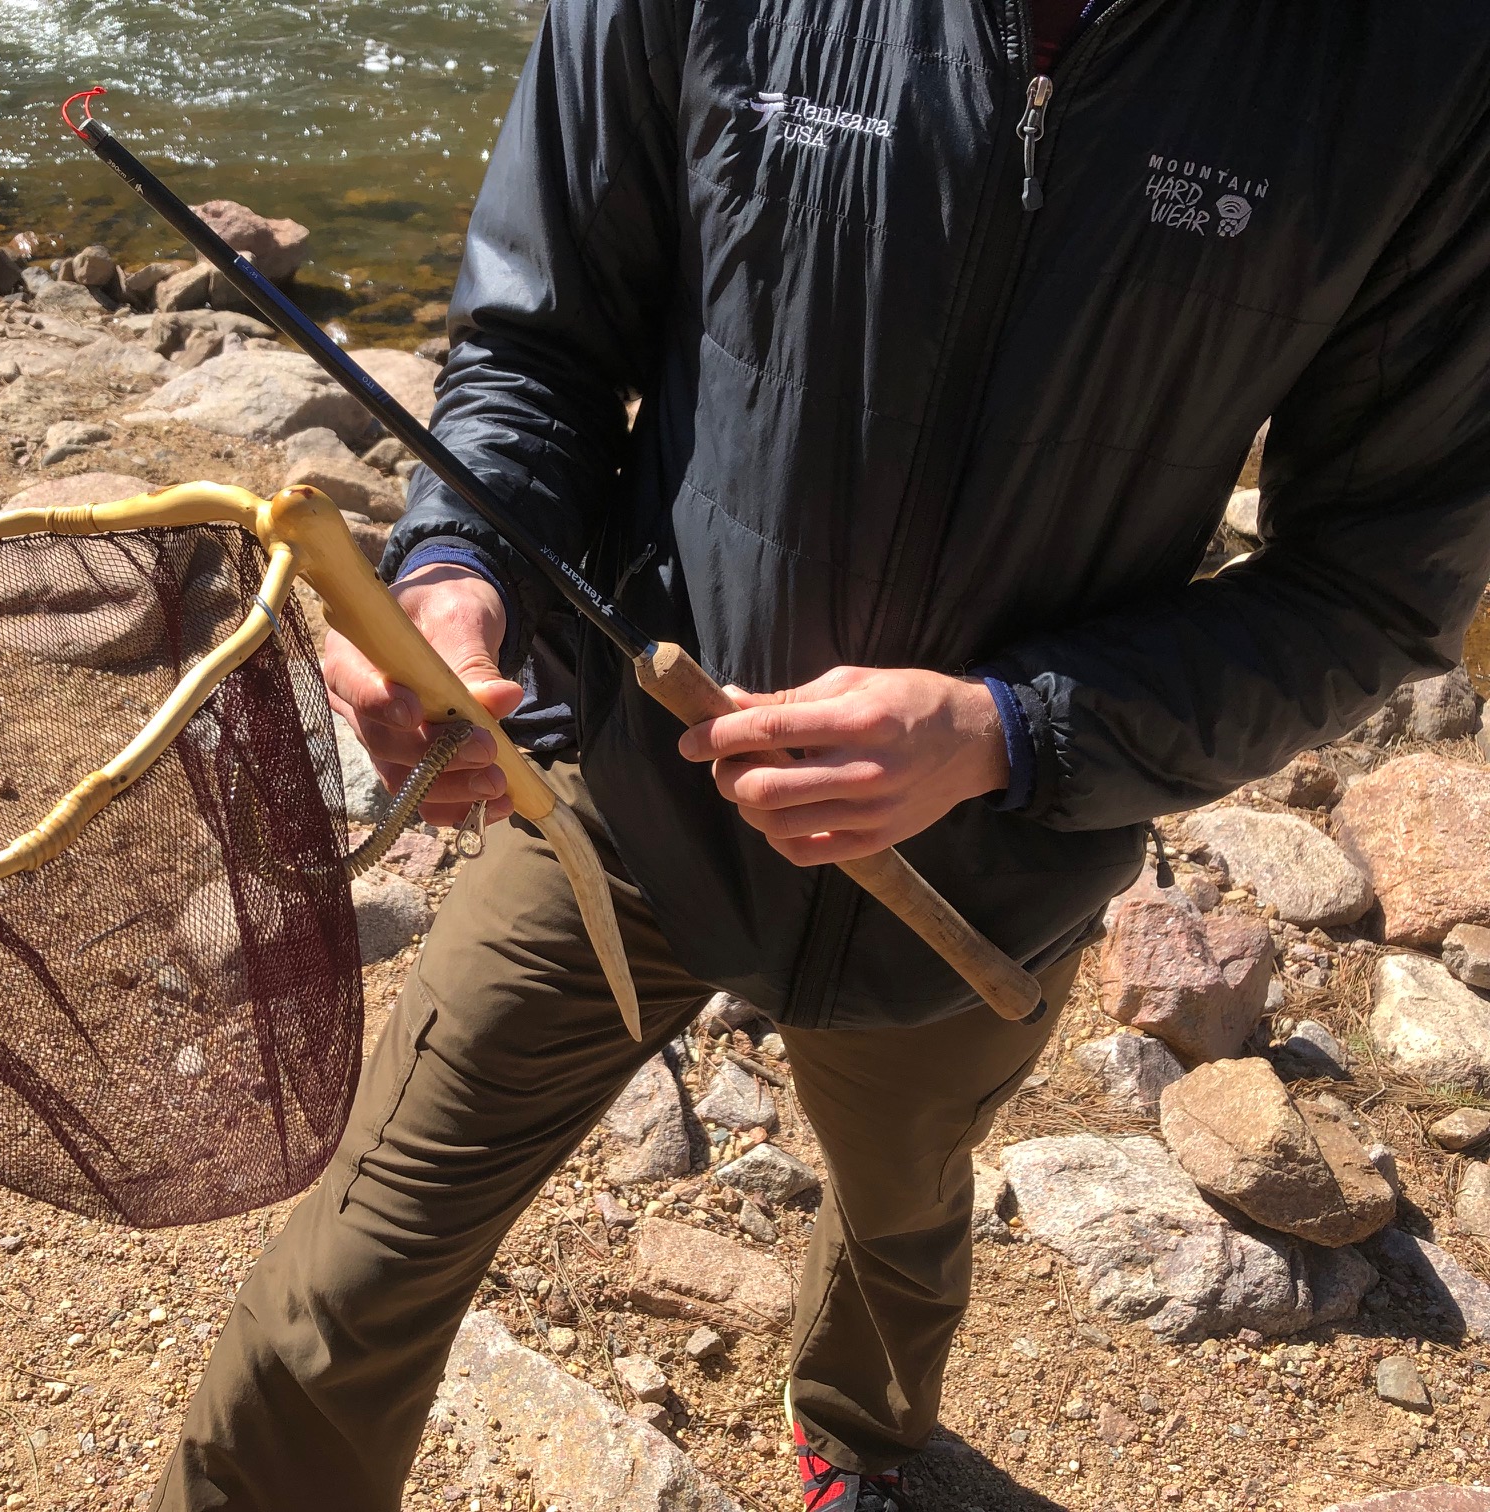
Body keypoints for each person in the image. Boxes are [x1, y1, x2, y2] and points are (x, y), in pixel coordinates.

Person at [153, 1, 1490, 1507]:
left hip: (988, 874)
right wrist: (459, 570)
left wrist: (1009, 730)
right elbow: (542, 348)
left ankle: (859, 1431)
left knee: (901, 1213)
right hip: (624, 801)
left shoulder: (1422, 64)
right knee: (340, 1295)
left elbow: (1379, 584)